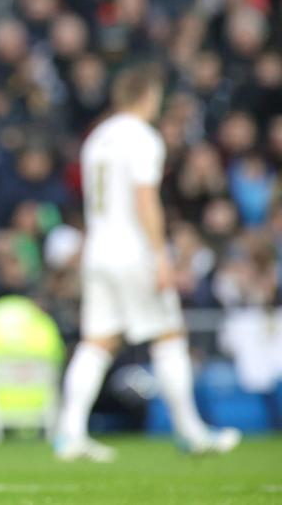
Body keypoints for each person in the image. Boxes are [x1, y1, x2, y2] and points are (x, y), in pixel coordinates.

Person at [54, 66, 240, 462]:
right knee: (169, 335)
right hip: (132, 252)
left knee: (98, 341)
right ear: (148, 96)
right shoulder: (142, 137)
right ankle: (192, 432)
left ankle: (69, 433)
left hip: (98, 251)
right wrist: (160, 256)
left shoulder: (97, 138)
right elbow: (144, 199)